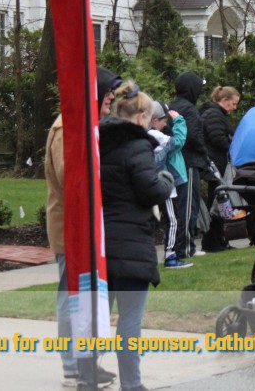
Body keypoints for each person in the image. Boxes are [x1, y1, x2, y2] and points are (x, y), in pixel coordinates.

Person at [78, 82, 173, 391]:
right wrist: (165, 179)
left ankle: (87, 378)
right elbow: (149, 190)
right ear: (142, 116)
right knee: (130, 319)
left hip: (100, 242)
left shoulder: (97, 142)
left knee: (96, 317)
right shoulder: (137, 146)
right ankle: (131, 384)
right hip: (131, 242)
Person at [44, 67, 121, 387]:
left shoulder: (85, 124)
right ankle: (73, 368)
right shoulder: (67, 127)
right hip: (70, 227)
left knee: (86, 297)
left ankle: (86, 362)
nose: (112, 96)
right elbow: (70, 178)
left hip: (86, 226)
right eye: (108, 90)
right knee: (71, 296)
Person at [168, 72, 209, 259]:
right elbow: (192, 136)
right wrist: (204, 152)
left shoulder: (173, 106)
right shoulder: (190, 109)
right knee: (189, 205)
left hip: (176, 162)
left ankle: (183, 245)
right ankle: (185, 247)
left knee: (180, 206)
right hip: (189, 162)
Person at [148, 101, 192, 269]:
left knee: (162, 219)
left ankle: (164, 255)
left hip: (157, 183)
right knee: (172, 220)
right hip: (163, 185)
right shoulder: (155, 135)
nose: (166, 123)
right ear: (155, 120)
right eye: (164, 120)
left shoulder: (149, 134)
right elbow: (178, 141)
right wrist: (179, 120)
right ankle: (170, 256)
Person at [198, 85, 240, 253]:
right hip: (216, 165)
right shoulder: (214, 115)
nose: (235, 108)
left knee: (220, 202)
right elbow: (218, 139)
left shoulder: (214, 114)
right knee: (218, 202)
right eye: (233, 104)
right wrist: (233, 146)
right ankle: (212, 242)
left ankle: (219, 240)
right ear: (224, 100)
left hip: (216, 164)